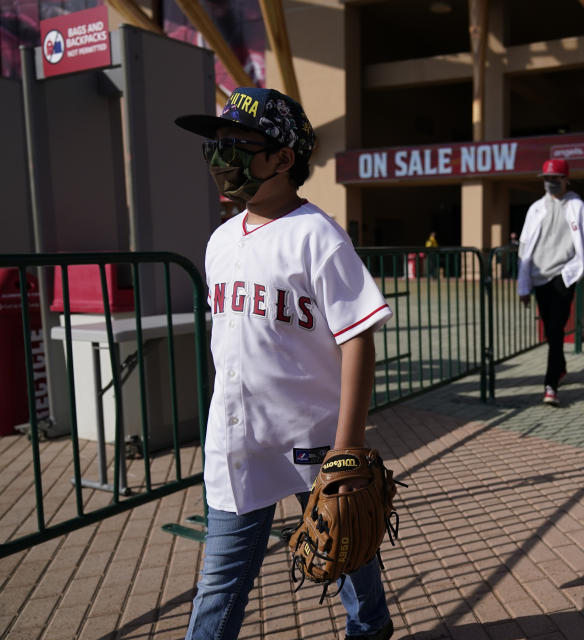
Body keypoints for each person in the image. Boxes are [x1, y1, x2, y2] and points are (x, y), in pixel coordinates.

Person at [174, 87, 395, 640]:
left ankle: (371, 628)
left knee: (343, 540)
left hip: (313, 436)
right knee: (221, 583)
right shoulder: (220, 240)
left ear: (282, 157)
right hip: (236, 440)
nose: (221, 157)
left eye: (238, 144)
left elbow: (358, 337)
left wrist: (347, 449)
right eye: (215, 144)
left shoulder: (318, 237)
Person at [517, 158, 584, 406]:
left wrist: (571, 273)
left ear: (566, 180)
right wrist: (523, 285)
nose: (550, 183)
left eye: (555, 178)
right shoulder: (535, 209)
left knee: (555, 329)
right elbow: (523, 249)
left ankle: (550, 385)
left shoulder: (577, 207)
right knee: (552, 331)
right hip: (539, 278)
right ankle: (560, 367)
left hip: (563, 277)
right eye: (547, 179)